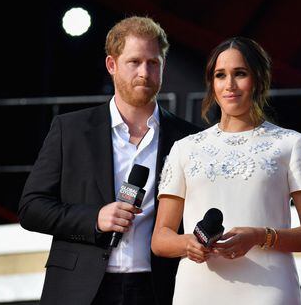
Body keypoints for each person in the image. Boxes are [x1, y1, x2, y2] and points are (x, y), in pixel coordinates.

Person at [18, 16, 199, 305]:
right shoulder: (71, 130)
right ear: (112, 65)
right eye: (134, 62)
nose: (144, 72)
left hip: (158, 289)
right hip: (80, 290)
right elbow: (31, 208)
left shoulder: (189, 138)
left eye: (154, 63)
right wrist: (95, 218)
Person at [151, 37, 301, 305]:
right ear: (212, 83)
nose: (230, 85)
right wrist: (189, 244)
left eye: (240, 74)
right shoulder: (184, 149)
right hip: (197, 291)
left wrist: (259, 236)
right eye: (221, 76)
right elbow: (160, 239)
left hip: (269, 289)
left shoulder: (291, 144)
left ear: (257, 79)